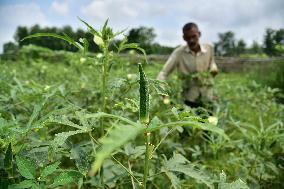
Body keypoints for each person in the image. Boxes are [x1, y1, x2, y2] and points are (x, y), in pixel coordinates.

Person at [157, 22, 218, 111]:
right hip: (188, 100)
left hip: (208, 98)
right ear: (184, 38)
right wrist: (163, 92)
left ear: (199, 34)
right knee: (189, 124)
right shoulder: (179, 53)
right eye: (188, 38)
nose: (191, 40)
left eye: (194, 36)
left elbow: (211, 62)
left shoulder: (209, 49)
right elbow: (163, 73)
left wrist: (214, 68)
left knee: (208, 123)